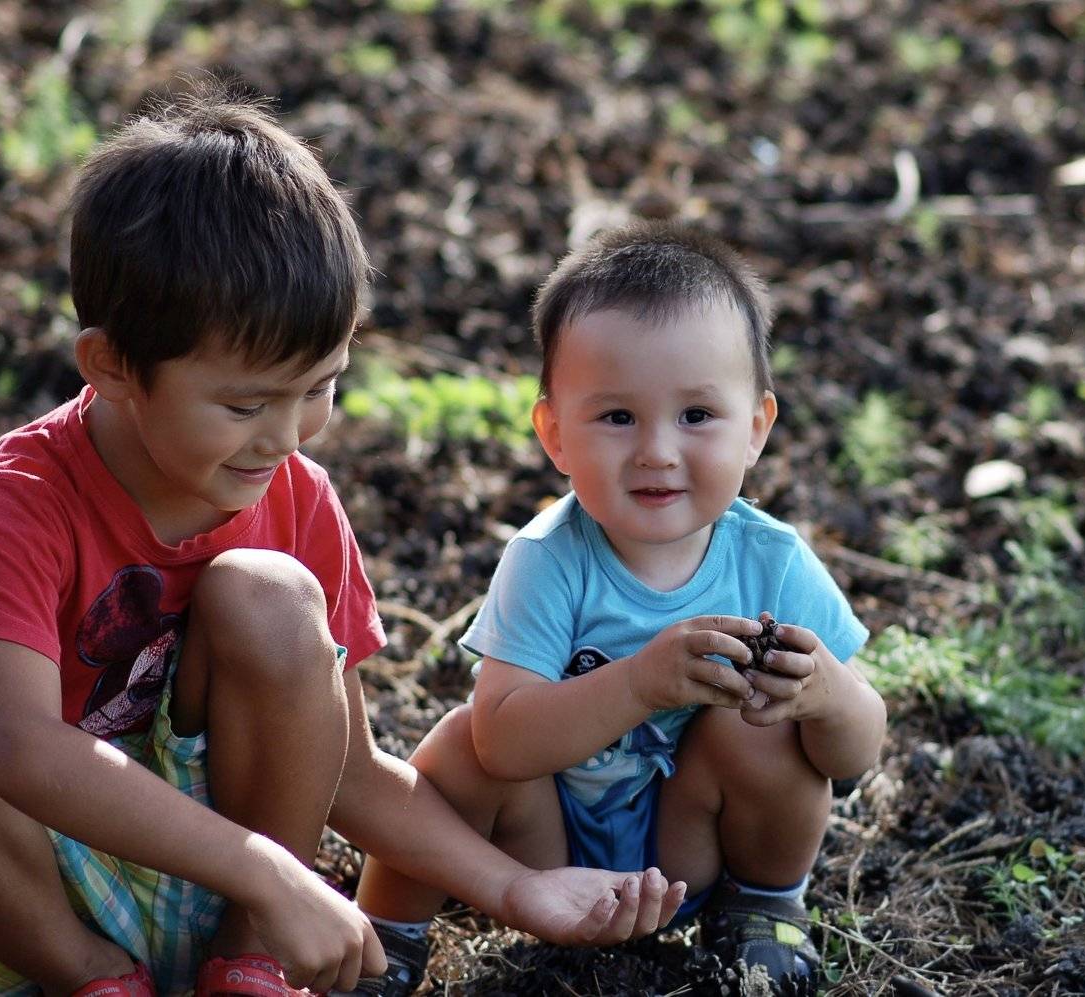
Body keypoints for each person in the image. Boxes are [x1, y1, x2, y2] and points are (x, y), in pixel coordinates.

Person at [0, 89, 684, 997]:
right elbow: (22, 751)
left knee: (271, 595)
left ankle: (244, 966)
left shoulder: (295, 498)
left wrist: (517, 888)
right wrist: (269, 869)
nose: (285, 436)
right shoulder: (22, 502)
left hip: (245, 899)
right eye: (245, 404)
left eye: (320, 387)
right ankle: (98, 982)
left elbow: (350, 769)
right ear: (112, 365)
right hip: (39, 888)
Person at [354, 221, 888, 992]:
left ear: (755, 429)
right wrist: (640, 681)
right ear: (554, 434)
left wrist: (827, 695)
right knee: (461, 743)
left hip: (692, 852)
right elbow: (503, 744)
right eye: (617, 417)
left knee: (767, 727)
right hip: (549, 854)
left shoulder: (772, 562)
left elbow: (856, 753)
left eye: (696, 415)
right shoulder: (548, 559)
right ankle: (385, 932)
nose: (656, 451)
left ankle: (764, 905)